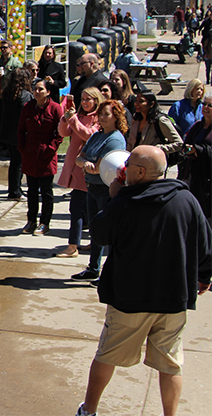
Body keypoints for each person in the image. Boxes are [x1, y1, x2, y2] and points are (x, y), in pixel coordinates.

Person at [75, 145, 212, 416]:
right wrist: (204, 277)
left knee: (108, 354)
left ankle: (89, 411)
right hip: (173, 299)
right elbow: (205, 244)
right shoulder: (186, 200)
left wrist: (113, 198)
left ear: (139, 171)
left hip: (129, 298)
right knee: (171, 364)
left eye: (129, 166)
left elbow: (99, 234)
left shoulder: (124, 203)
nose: (122, 171)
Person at [72, 100, 129, 281]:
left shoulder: (115, 138)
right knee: (96, 230)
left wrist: (89, 165)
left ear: (116, 117)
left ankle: (112, 271)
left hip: (108, 190)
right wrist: (85, 163)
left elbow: (101, 167)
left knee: (110, 232)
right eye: (101, 114)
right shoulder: (97, 135)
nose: (102, 118)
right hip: (92, 188)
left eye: (107, 114)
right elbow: (79, 158)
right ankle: (93, 268)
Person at [56, 88, 103, 257]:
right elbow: (63, 132)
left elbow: (88, 135)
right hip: (76, 168)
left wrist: (74, 119)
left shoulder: (99, 119)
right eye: (82, 99)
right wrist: (65, 118)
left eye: (88, 99)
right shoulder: (81, 116)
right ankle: (77, 244)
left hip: (88, 170)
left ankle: (77, 245)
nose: (84, 102)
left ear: (96, 100)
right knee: (78, 208)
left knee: (84, 208)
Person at [18, 79, 63, 235]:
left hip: (46, 156)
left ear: (48, 92)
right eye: (35, 89)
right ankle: (31, 221)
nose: (37, 92)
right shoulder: (28, 107)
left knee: (46, 191)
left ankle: (45, 222)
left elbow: (60, 133)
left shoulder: (56, 109)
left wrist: (50, 149)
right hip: (30, 154)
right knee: (31, 190)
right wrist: (22, 148)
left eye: (41, 89)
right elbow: (21, 130)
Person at [0, 68, 33, 201]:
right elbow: (27, 113)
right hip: (19, 134)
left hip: (8, 133)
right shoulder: (25, 95)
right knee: (18, 163)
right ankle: (15, 191)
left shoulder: (8, 93)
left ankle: (15, 188)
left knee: (14, 162)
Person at [127, 91, 183, 168]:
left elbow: (179, 143)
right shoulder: (136, 119)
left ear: (152, 104)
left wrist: (157, 148)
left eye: (141, 101)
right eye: (136, 100)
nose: (137, 104)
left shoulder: (160, 120)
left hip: (153, 164)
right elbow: (130, 142)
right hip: (135, 163)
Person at [181, 90, 212, 220]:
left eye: (210, 105)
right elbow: (186, 143)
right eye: (204, 104)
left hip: (208, 180)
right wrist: (187, 149)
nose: (206, 107)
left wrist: (198, 150)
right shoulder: (198, 126)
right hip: (193, 175)